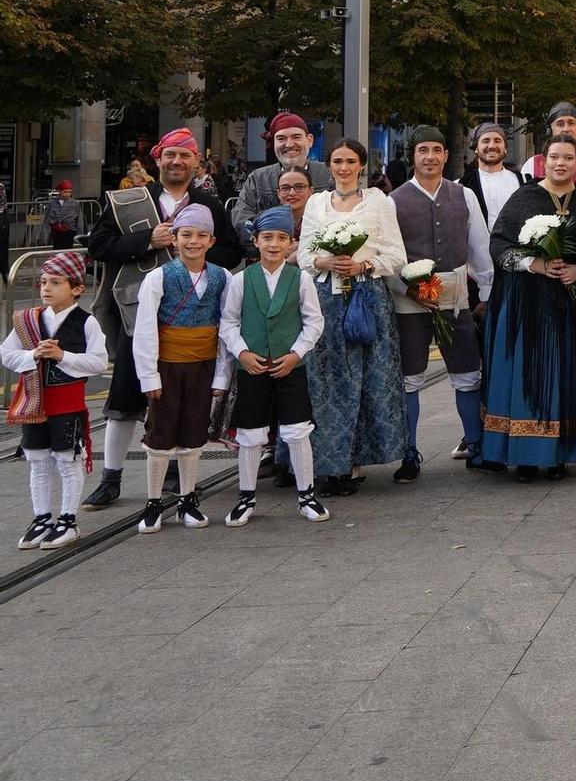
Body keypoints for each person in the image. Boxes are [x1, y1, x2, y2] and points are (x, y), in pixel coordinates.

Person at [83, 127, 240, 511]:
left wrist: (196, 257)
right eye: (170, 155)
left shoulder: (209, 203)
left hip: (190, 324)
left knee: (182, 400)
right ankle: (111, 478)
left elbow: (231, 250)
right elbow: (97, 246)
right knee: (123, 398)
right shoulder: (129, 201)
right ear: (158, 159)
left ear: (195, 162)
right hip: (136, 317)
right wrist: (146, 242)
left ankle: (174, 475)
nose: (176, 162)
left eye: (184, 156)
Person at [483, 135, 576, 479]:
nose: (560, 163)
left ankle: (558, 456)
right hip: (528, 305)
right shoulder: (525, 197)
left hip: (571, 307)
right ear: (544, 161)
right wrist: (534, 264)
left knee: (565, 376)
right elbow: (499, 244)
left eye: (568, 157)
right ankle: (525, 456)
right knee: (529, 378)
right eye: (554, 157)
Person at [297, 139, 408, 496]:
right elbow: (303, 253)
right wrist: (325, 261)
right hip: (325, 298)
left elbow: (396, 255)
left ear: (361, 165)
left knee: (364, 380)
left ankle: (354, 463)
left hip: (366, 296)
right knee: (327, 383)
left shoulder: (378, 201)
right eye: (337, 161)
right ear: (328, 165)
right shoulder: (316, 202)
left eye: (350, 161)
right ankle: (328, 463)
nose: (343, 168)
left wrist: (363, 264)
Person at [389, 126, 495, 478]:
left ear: (446, 155)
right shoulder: (394, 201)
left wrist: (488, 293)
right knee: (410, 376)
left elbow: (480, 247)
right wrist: (407, 289)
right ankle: (409, 452)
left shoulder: (463, 196)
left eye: (437, 149)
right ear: (413, 156)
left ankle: (475, 444)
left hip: (454, 295)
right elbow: (387, 256)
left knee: (468, 373)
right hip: (410, 298)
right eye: (423, 151)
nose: (430, 157)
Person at [218, 207, 329, 526]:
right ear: (255, 240)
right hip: (251, 368)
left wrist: (296, 353)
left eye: (281, 238)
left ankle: (306, 495)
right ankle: (246, 497)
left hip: (290, 367)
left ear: (291, 243)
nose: (273, 244)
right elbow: (228, 322)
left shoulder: (301, 279)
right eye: (267, 238)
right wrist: (241, 353)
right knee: (250, 434)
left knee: (297, 430)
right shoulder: (241, 280)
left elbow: (314, 321)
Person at [131, 203, 231, 533]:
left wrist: (221, 375)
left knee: (193, 432)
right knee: (160, 434)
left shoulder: (222, 277)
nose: (193, 241)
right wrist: (149, 376)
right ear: (173, 239)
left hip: (203, 365)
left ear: (211, 241)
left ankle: (188, 498)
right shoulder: (158, 277)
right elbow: (145, 328)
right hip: (167, 366)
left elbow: (226, 329)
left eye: (202, 235)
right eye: (186, 234)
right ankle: (153, 501)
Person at [4, 252, 108, 550]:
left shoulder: (86, 322)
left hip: (67, 402)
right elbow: (7, 354)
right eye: (43, 282)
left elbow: (99, 362)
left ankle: (68, 520)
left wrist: (63, 356)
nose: (46, 288)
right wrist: (32, 355)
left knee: (67, 460)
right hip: (34, 402)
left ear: (76, 288)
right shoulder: (28, 320)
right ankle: (42, 518)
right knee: (38, 460)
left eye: (55, 282)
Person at [230, 112, 333, 251]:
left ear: (309, 140)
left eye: (296, 137)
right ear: (273, 143)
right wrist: (279, 243)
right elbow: (242, 221)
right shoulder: (257, 179)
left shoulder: (329, 175)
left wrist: (306, 246)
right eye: (281, 138)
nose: (289, 144)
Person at [462, 122, 523, 232]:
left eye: (497, 140)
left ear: (505, 148)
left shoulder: (522, 182)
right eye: (486, 141)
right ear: (476, 148)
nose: (491, 146)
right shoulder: (461, 185)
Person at [45, 181, 80, 251]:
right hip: (56, 231)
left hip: (69, 231)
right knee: (56, 251)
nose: (67, 194)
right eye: (65, 192)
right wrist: (45, 235)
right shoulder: (52, 204)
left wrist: (79, 234)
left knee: (67, 251)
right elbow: (47, 219)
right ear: (59, 191)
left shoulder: (74, 204)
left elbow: (79, 219)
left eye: (69, 192)